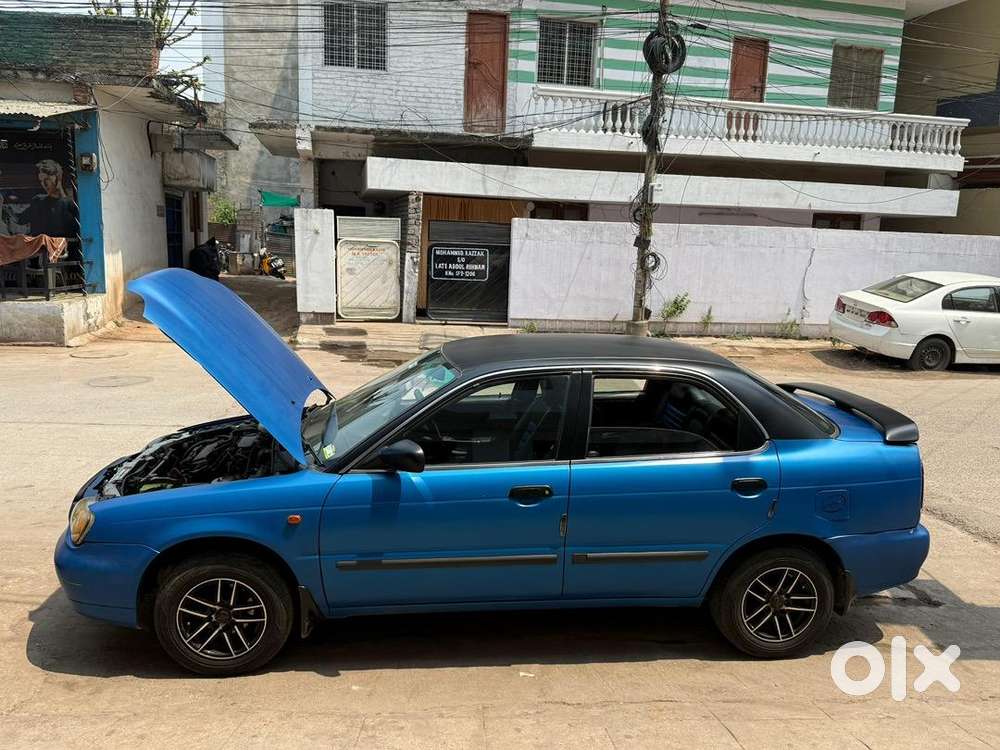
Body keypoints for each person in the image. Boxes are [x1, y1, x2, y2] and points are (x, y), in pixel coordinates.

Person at [2, 159, 76, 238]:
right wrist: (4, 208)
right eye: (41, 181)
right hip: (39, 247)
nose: (44, 184)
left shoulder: (70, 204)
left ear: (58, 177)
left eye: (47, 179)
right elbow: (20, 219)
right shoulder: (38, 200)